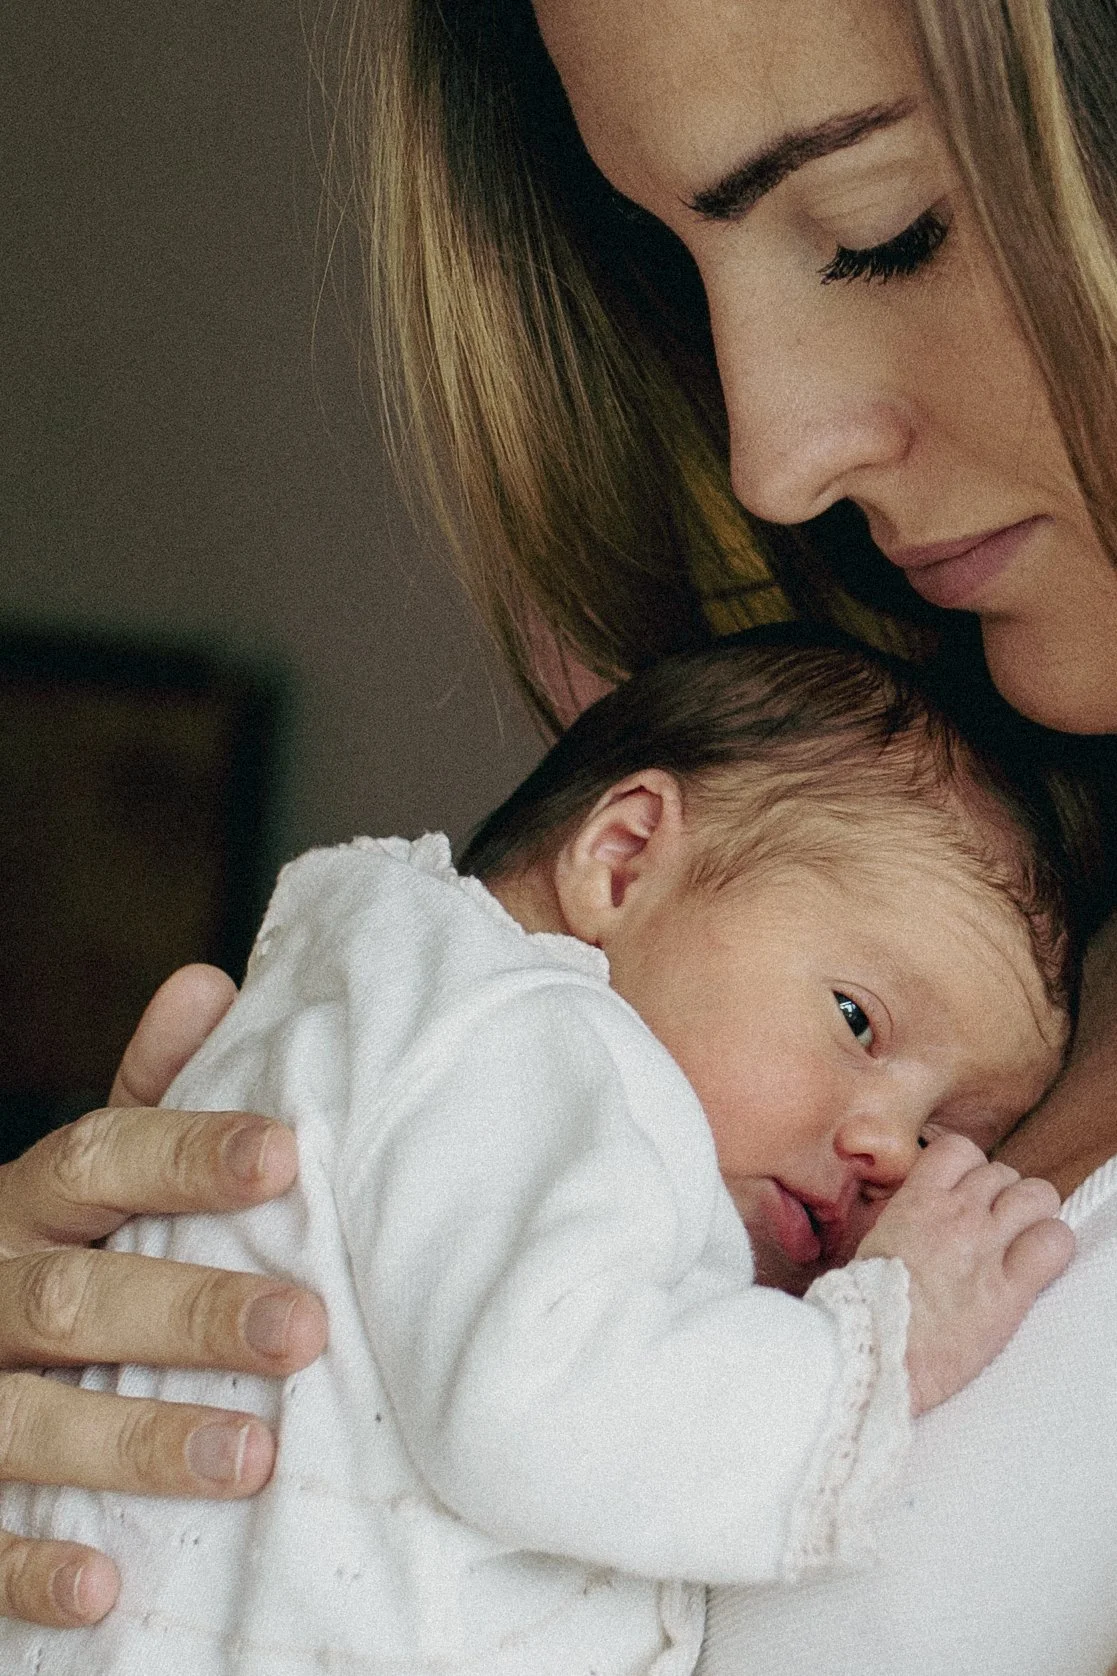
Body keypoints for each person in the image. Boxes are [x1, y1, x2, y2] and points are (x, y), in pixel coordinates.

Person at [1, 0, 1117, 1657]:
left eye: (883, 235)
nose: (772, 460)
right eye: (677, 271)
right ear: (622, 857)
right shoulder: (790, 911)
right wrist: (100, 1394)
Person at [0, 631, 1081, 1674]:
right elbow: (538, 1401)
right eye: (855, 1019)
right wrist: (874, 1353)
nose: (892, 1150)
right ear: (620, 862)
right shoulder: (539, 1039)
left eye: (947, 1135)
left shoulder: (403, 1011)